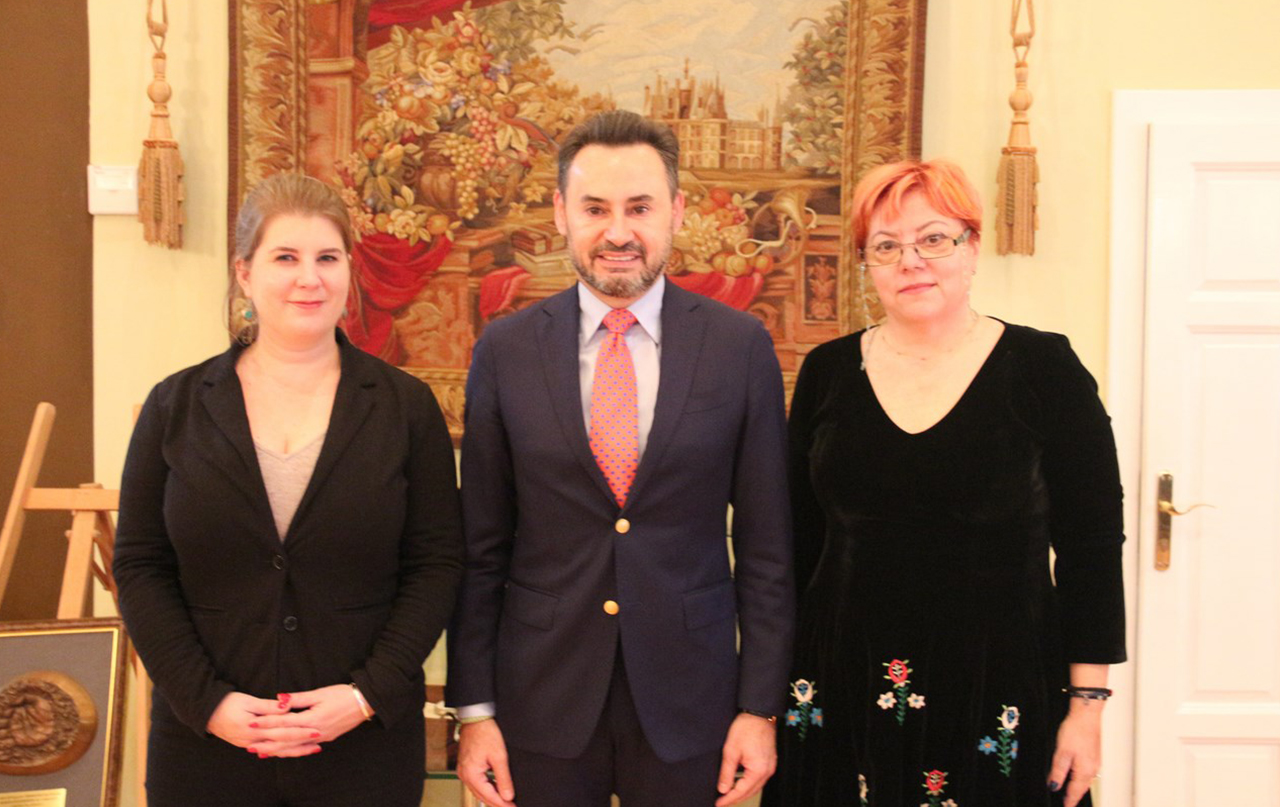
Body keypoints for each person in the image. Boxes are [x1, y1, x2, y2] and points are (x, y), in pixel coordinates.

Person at [446, 110, 795, 807]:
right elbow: (481, 548)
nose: (618, 233)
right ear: (560, 213)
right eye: (595, 208)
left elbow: (767, 549)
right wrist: (474, 711)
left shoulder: (739, 347)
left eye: (639, 207)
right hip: (539, 703)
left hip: (691, 702)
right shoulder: (506, 351)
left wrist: (760, 707)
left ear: (676, 211)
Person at [762, 159, 1125, 807]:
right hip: (842, 682)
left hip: (998, 685)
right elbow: (794, 546)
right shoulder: (828, 371)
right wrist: (762, 699)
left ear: (972, 247)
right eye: (886, 246)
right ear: (866, 262)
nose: (911, 261)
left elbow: (1091, 547)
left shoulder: (1044, 368)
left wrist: (1087, 705)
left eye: (934, 238)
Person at [113, 173, 463, 807]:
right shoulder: (175, 406)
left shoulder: (406, 408)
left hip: (364, 747)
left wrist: (365, 695)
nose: (310, 278)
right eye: (285, 258)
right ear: (244, 273)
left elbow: (436, 565)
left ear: (350, 271)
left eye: (327, 258)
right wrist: (207, 701)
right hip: (204, 747)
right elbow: (140, 566)